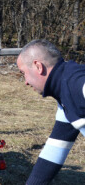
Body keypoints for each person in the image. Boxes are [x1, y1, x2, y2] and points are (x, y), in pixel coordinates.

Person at [16, 39, 85, 184]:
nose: (25, 81)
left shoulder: (76, 84)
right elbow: (52, 156)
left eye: (24, 73)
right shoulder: (65, 100)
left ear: (38, 66)